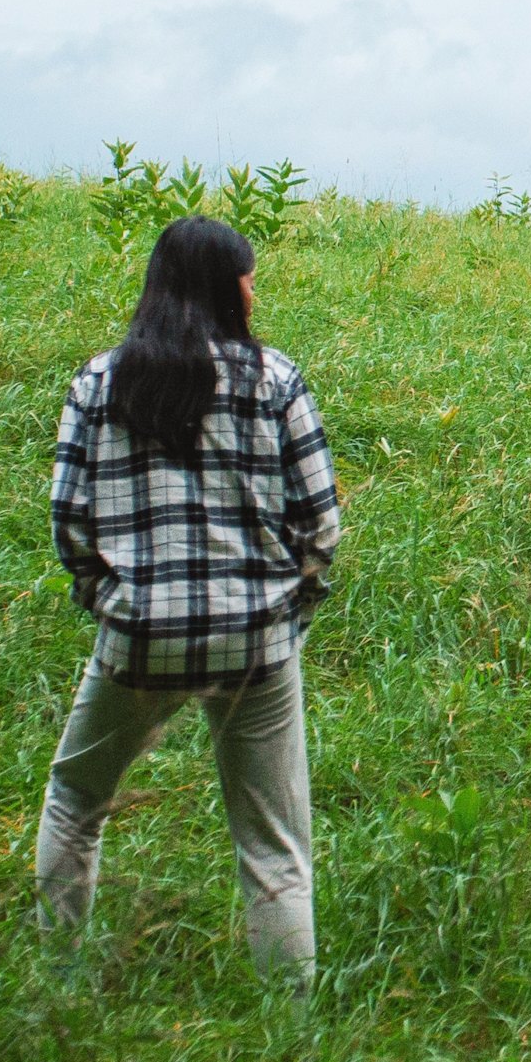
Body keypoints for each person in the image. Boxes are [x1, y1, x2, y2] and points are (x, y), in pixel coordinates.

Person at [37, 214, 342, 985]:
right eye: (247, 275)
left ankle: (57, 981)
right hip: (257, 644)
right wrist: (287, 608)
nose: (254, 289)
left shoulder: (99, 383)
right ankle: (293, 1027)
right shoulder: (275, 381)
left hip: (140, 638)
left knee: (77, 800)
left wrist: (115, 603)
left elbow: (70, 521)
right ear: (223, 288)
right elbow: (321, 521)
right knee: (274, 846)